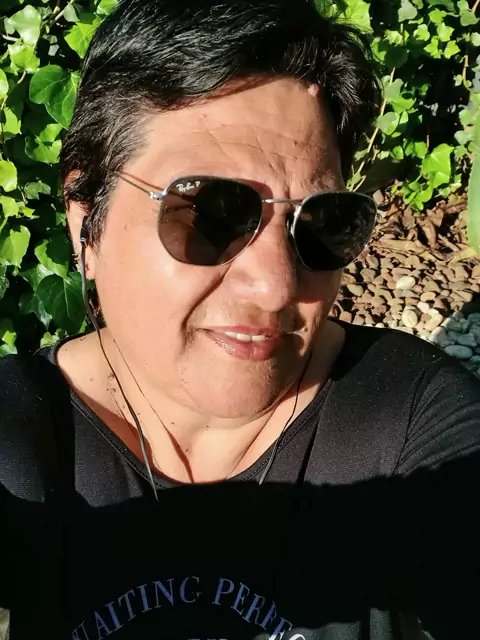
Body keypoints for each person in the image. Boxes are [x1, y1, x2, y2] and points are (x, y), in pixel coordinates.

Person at [1, 0, 479, 638]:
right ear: (86, 221)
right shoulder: (18, 438)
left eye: (322, 221)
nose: (277, 286)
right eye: (213, 213)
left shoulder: (413, 420)